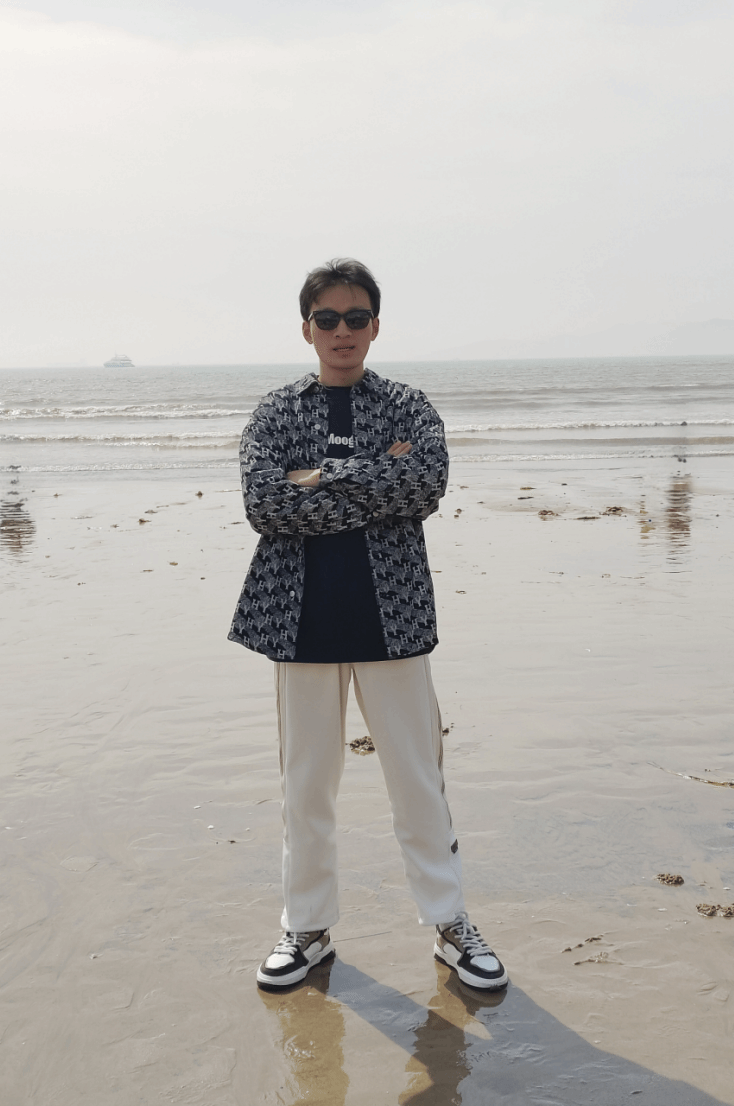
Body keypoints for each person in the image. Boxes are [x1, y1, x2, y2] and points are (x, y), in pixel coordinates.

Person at [229, 258, 507, 992]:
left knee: (417, 780)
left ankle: (451, 923)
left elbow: (426, 484)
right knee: (305, 785)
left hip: (395, 616)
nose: (342, 330)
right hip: (298, 619)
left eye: (356, 318)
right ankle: (306, 927)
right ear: (307, 329)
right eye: (327, 319)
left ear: (375, 326)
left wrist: (318, 477)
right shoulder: (275, 412)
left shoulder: (408, 407)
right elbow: (264, 504)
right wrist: (373, 478)